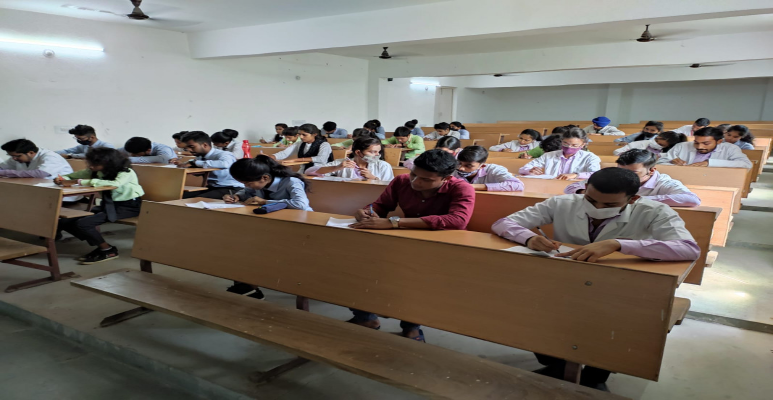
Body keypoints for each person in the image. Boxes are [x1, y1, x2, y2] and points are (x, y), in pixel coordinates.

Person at [492, 167, 699, 391]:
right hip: (565, 279)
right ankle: (558, 364)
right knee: (533, 312)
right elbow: (503, 223)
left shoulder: (654, 211)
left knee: (611, 326)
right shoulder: (564, 202)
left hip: (618, 285)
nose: (596, 208)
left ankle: (596, 374)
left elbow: (687, 249)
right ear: (585, 190)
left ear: (634, 199)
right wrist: (529, 238)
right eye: (590, 199)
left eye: (609, 205)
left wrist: (619, 244)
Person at [349, 149, 476, 342]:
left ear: (446, 178)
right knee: (357, 265)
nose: (416, 182)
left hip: (441, 245)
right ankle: (365, 317)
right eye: (414, 174)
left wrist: (394, 222)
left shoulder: (461, 188)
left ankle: (412, 326)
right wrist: (366, 211)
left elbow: (457, 220)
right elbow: (381, 206)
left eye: (426, 179)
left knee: (412, 282)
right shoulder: (401, 181)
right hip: (405, 238)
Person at [223, 156, 313, 300]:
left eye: (248, 182)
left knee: (257, 249)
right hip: (270, 222)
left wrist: (265, 201)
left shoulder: (291, 181)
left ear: (265, 177)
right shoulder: (257, 183)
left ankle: (255, 282)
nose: (246, 185)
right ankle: (248, 286)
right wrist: (237, 197)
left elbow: (300, 204)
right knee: (238, 244)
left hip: (299, 225)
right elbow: (247, 192)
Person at [55, 148, 144, 264]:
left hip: (129, 206)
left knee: (83, 224)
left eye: (95, 164)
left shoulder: (125, 172)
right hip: (108, 205)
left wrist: (79, 182)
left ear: (109, 163)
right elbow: (71, 176)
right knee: (64, 222)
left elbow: (115, 184)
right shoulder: (96, 171)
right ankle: (100, 244)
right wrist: (61, 179)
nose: (91, 166)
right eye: (90, 163)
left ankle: (107, 249)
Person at [566, 149, 701, 207]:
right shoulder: (611, 175)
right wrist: (588, 193)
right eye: (620, 170)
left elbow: (692, 199)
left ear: (652, 170)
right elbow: (571, 188)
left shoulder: (663, 182)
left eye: (633, 172)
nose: (623, 176)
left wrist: (632, 200)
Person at [175, 131, 243, 198]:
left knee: (198, 199)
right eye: (186, 148)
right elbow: (201, 171)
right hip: (213, 187)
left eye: (192, 146)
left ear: (205, 145)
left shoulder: (224, 154)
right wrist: (188, 167)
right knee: (179, 196)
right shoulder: (199, 156)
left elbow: (225, 164)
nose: (189, 150)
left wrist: (195, 163)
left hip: (231, 188)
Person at [519, 128, 601, 179]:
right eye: (565, 143)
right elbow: (522, 169)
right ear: (561, 141)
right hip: (549, 187)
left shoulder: (590, 157)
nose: (569, 147)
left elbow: (595, 174)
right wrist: (530, 170)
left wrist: (576, 175)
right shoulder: (549, 155)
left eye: (574, 145)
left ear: (583, 145)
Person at [658, 127, 752, 168]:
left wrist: (709, 163)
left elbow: (746, 164)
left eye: (706, 143)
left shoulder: (730, 149)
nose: (699, 147)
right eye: (696, 142)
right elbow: (660, 162)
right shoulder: (682, 146)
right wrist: (672, 162)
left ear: (719, 141)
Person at [307, 137, 394, 181]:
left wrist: (373, 178)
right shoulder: (343, 163)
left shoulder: (383, 166)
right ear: (358, 152)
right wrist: (336, 168)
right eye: (372, 152)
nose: (377, 155)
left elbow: (390, 186)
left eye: (378, 152)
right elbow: (309, 171)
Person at [454, 146, 524, 191]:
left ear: (482, 166)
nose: (461, 168)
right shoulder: (452, 168)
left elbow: (518, 185)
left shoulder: (494, 169)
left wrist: (473, 186)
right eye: (459, 163)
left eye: (468, 166)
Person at [0, 139, 73, 178]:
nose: (14, 158)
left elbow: (40, 174)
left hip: (62, 195)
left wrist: (4, 173)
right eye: (12, 156)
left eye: (17, 156)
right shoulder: (17, 158)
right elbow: (2, 167)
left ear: (31, 153)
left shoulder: (50, 156)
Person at [613, 130, 686, 157]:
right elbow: (616, 152)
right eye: (656, 140)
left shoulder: (667, 154)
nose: (656, 143)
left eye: (661, 145)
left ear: (667, 146)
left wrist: (658, 156)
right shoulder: (640, 144)